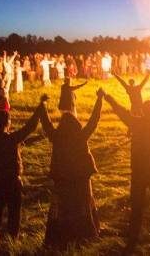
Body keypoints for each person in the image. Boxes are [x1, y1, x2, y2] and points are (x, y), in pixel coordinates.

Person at [105, 88, 150, 246]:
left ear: (143, 111)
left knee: (136, 204)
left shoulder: (136, 123)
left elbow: (121, 111)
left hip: (139, 170)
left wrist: (109, 97)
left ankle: (133, 234)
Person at [41, 90, 104, 249]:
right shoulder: (80, 135)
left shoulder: (56, 136)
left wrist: (42, 105)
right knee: (83, 203)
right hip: (81, 177)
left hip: (62, 178)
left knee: (62, 206)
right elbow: (94, 120)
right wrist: (99, 99)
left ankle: (60, 237)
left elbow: (46, 123)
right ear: (76, 125)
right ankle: (86, 233)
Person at [0, 100, 41, 252]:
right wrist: (40, 108)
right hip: (12, 181)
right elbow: (30, 127)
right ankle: (11, 242)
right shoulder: (11, 138)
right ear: (8, 122)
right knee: (14, 212)